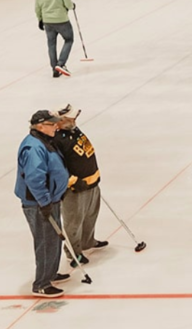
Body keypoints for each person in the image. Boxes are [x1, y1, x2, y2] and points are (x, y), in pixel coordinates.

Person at [15, 110, 71, 298]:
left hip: (50, 200)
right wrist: (45, 201)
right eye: (52, 124)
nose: (56, 126)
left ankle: (51, 273)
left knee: (54, 238)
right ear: (40, 126)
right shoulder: (33, 148)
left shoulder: (45, 141)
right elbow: (34, 178)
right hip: (39, 204)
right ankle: (41, 284)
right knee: (46, 242)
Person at [52, 105, 107, 268]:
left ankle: (87, 241)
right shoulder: (56, 140)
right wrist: (72, 181)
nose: (75, 119)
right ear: (61, 120)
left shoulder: (73, 130)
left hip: (92, 181)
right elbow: (56, 167)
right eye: (71, 117)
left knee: (91, 215)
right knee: (73, 223)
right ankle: (73, 252)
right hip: (75, 188)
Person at [36, 0, 75, 78]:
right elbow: (68, 4)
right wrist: (72, 6)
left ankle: (55, 69)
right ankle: (60, 64)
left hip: (47, 20)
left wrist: (40, 19)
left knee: (51, 44)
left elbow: (37, 5)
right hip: (61, 19)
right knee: (69, 39)